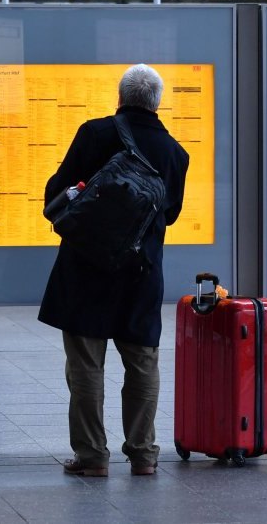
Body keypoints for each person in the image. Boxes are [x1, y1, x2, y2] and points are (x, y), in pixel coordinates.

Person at [39, 63, 190, 478]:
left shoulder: (95, 133)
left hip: (86, 266)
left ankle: (92, 457)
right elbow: (170, 214)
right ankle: (143, 455)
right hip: (141, 272)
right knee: (142, 362)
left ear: (121, 97)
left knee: (86, 364)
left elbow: (56, 192)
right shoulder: (175, 152)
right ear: (156, 102)